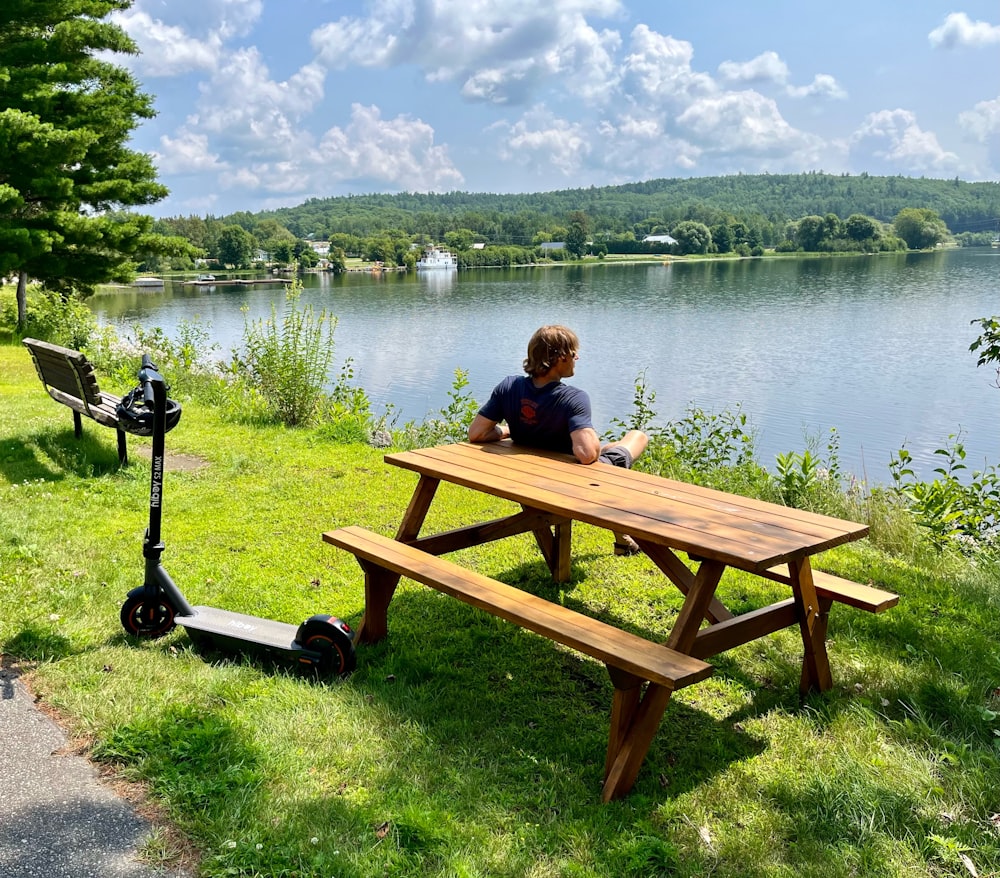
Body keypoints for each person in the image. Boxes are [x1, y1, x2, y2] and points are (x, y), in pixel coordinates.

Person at [468, 324, 649, 555]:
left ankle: (623, 538)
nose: (577, 358)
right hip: (570, 478)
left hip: (531, 473)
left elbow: (477, 433)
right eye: (574, 354)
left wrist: (507, 430)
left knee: (609, 449)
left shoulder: (509, 387)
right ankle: (623, 538)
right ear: (561, 358)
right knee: (637, 437)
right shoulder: (572, 398)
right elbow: (587, 456)